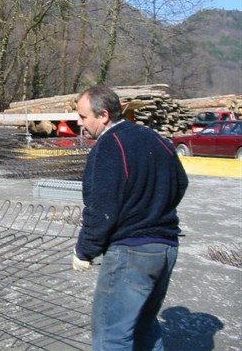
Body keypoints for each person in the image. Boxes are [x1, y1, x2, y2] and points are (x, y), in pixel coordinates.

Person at [72, 85, 188, 350]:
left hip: (132, 253)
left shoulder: (110, 145)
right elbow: (181, 183)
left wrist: (85, 250)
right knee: (144, 327)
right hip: (166, 248)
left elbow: (102, 208)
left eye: (83, 116)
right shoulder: (157, 139)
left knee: (111, 336)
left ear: (103, 115)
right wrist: (155, 210)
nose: (79, 123)